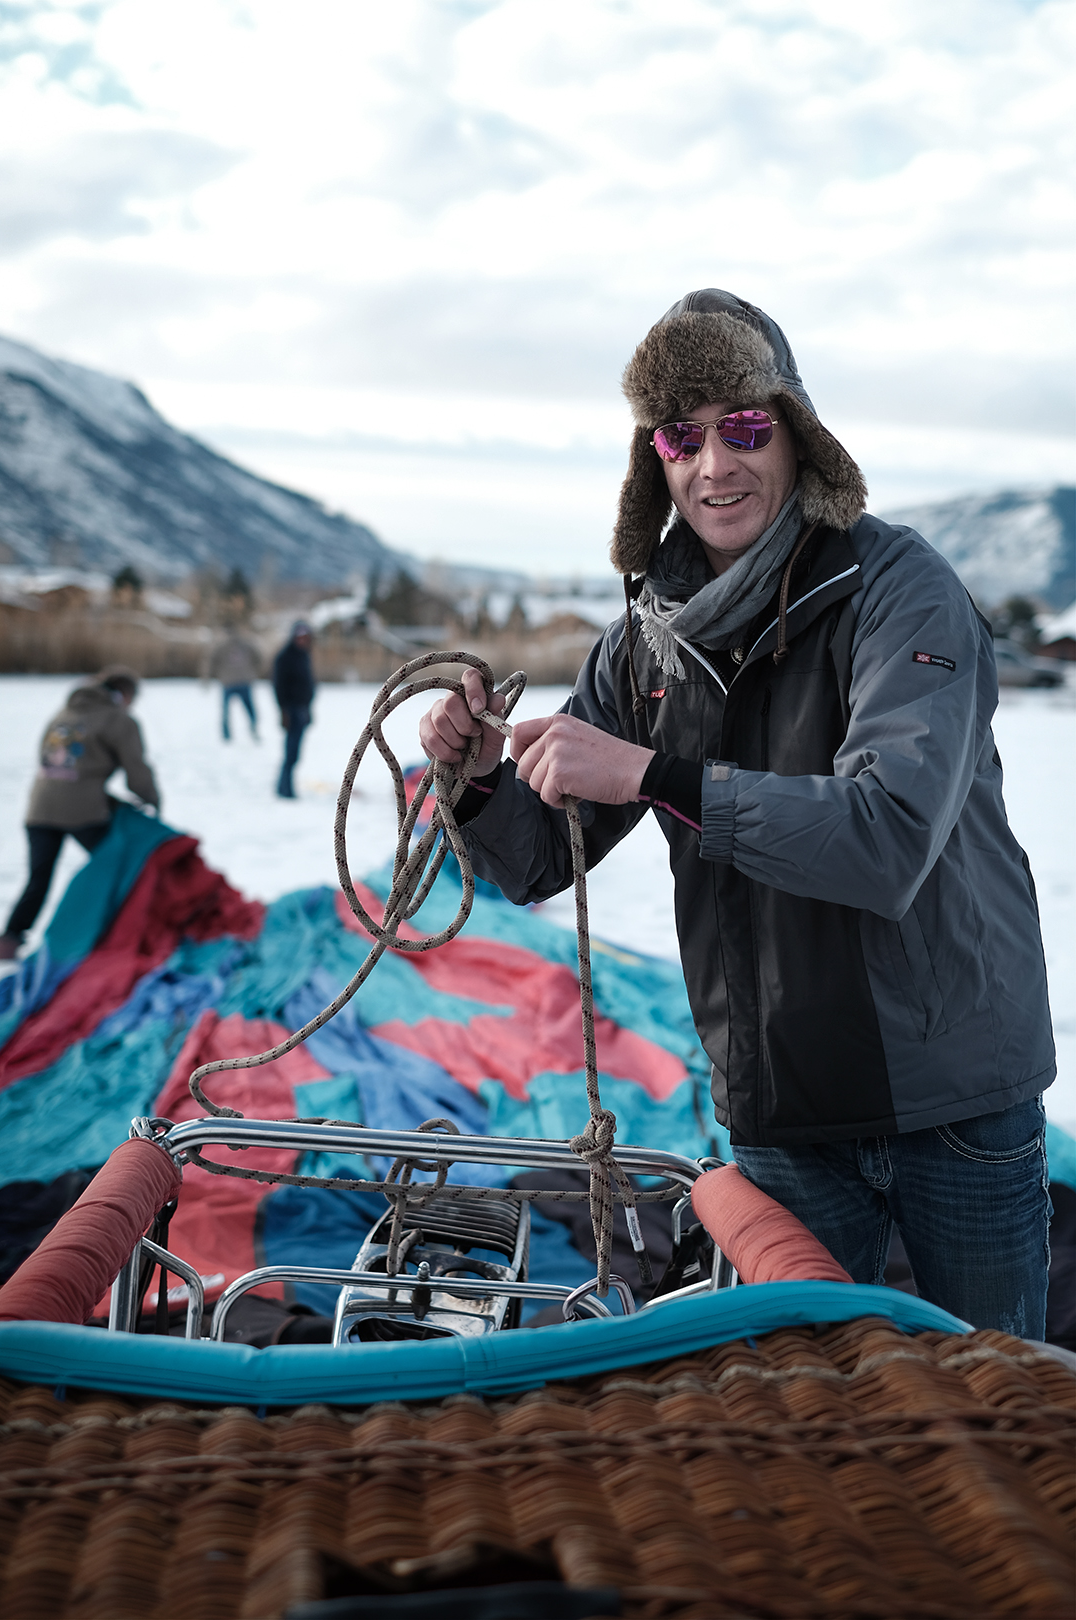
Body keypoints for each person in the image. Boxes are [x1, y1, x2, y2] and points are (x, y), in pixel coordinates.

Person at [419, 287, 1056, 1339]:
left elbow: (886, 837)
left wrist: (652, 774)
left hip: (956, 1107)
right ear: (653, 460)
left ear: (797, 435)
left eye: (745, 427)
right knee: (807, 1437)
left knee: (997, 1429)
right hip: (785, 1120)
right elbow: (535, 866)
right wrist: (481, 777)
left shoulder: (903, 591)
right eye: (683, 435)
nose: (716, 464)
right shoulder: (642, 641)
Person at [0, 665, 161, 960]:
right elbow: (136, 769)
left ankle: (9, 939)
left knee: (39, 877)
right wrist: (151, 801)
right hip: (83, 810)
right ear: (124, 695)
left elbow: (46, 758)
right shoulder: (119, 720)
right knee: (117, 865)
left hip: (40, 806)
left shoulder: (64, 714)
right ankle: (118, 932)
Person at [272, 620, 315, 798]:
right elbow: (279, 687)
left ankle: (285, 787)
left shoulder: (304, 655)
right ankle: (284, 788)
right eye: (299, 637)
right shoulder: (285, 657)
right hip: (291, 710)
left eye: (305, 637)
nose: (302, 640)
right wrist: (284, 711)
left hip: (302, 709)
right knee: (290, 753)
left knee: (295, 753)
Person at [209, 630, 260, 741]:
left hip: (230, 682)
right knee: (249, 709)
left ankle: (227, 734)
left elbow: (212, 661)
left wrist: (215, 674)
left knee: (227, 711)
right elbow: (259, 658)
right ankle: (253, 729)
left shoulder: (222, 646)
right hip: (241, 682)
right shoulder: (245, 644)